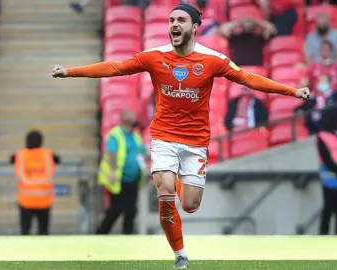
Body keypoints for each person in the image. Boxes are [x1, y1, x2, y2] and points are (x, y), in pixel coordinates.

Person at [52, 3, 309, 268]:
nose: (174, 24)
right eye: (171, 20)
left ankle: (177, 181)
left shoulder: (212, 60)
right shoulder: (154, 56)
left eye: (181, 20)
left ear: (195, 27)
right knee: (164, 197)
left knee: (189, 205)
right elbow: (116, 67)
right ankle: (180, 255)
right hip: (163, 136)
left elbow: (248, 79)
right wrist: (71, 72)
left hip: (196, 141)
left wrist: (291, 91)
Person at [96, 110, 147, 235]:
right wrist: (113, 171)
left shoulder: (135, 136)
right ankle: (101, 233)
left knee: (131, 210)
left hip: (133, 179)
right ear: (127, 120)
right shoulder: (116, 135)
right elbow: (112, 153)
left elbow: (142, 151)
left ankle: (127, 235)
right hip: (119, 179)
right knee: (115, 209)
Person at [10, 130, 61, 235]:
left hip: (26, 200)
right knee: (43, 231)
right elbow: (58, 160)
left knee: (25, 231)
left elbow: (11, 160)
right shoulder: (48, 155)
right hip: (44, 200)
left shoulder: (20, 155)